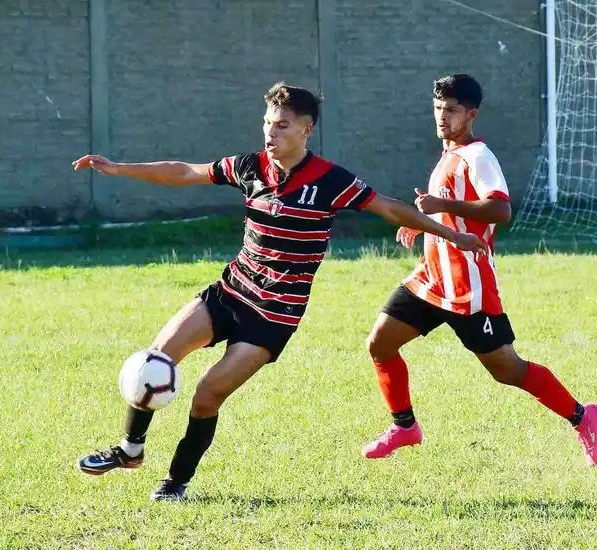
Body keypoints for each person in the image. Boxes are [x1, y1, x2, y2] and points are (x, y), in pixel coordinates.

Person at [72, 82, 486, 501]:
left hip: (273, 316)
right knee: (154, 360)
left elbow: (389, 207)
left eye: (282, 125)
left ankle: (175, 483)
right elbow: (185, 171)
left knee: (206, 396)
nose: (271, 133)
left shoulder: (329, 180)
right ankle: (130, 451)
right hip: (231, 291)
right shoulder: (251, 167)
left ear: (306, 130)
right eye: (268, 123)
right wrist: (119, 168)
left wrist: (450, 234)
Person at [360, 74, 597, 466]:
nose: (443, 117)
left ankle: (582, 416)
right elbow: (442, 207)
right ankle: (404, 426)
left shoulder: (478, 157)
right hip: (432, 278)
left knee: (507, 370)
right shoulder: (449, 154)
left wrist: (443, 207)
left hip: (468, 287)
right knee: (380, 343)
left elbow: (500, 210)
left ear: (471, 114)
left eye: (452, 110)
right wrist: (423, 220)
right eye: (438, 108)